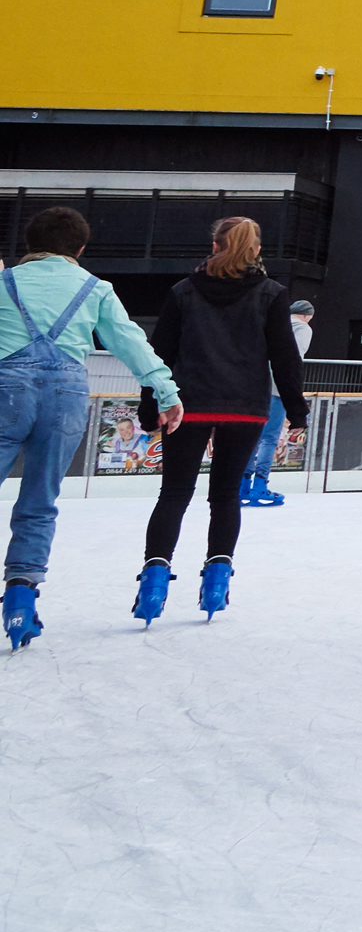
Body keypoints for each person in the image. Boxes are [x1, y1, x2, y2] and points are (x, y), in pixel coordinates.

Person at [1, 206, 181, 650]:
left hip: (6, 388)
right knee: (40, 500)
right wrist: (165, 390)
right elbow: (129, 340)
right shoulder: (95, 289)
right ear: (80, 248)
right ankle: (21, 597)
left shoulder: (5, 283)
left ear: (29, 245)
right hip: (65, 396)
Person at [132, 216, 309, 625]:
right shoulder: (272, 294)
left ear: (215, 246)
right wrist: (296, 410)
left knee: (175, 494)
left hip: (188, 404)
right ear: (256, 251)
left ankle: (153, 583)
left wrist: (149, 405)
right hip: (245, 407)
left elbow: (159, 354)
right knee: (226, 495)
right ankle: (216, 581)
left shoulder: (183, 292)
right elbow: (284, 356)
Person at [240, 294, 314, 507]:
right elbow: (292, 358)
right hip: (277, 387)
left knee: (252, 435)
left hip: (254, 386)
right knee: (269, 438)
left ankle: (242, 485)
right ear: (307, 316)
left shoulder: (271, 321)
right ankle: (259, 486)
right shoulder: (303, 328)